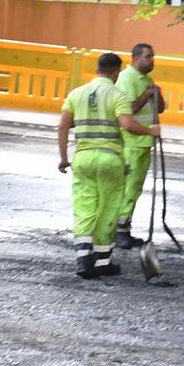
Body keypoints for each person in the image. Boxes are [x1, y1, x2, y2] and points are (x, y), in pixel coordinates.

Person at [57, 52, 128, 279]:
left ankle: (84, 260)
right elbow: (126, 123)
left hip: (84, 158)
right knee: (108, 208)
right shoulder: (118, 95)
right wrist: (150, 131)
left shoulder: (76, 94)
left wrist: (63, 157)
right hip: (110, 159)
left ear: (98, 69)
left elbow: (63, 127)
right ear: (116, 72)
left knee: (84, 208)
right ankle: (103, 262)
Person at [113, 43, 164, 249]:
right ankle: (118, 230)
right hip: (131, 142)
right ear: (135, 58)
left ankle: (125, 228)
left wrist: (156, 93)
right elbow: (129, 109)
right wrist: (146, 94)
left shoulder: (147, 80)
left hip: (144, 143)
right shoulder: (127, 78)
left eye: (153, 56)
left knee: (135, 188)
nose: (152, 60)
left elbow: (160, 108)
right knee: (128, 187)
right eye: (148, 56)